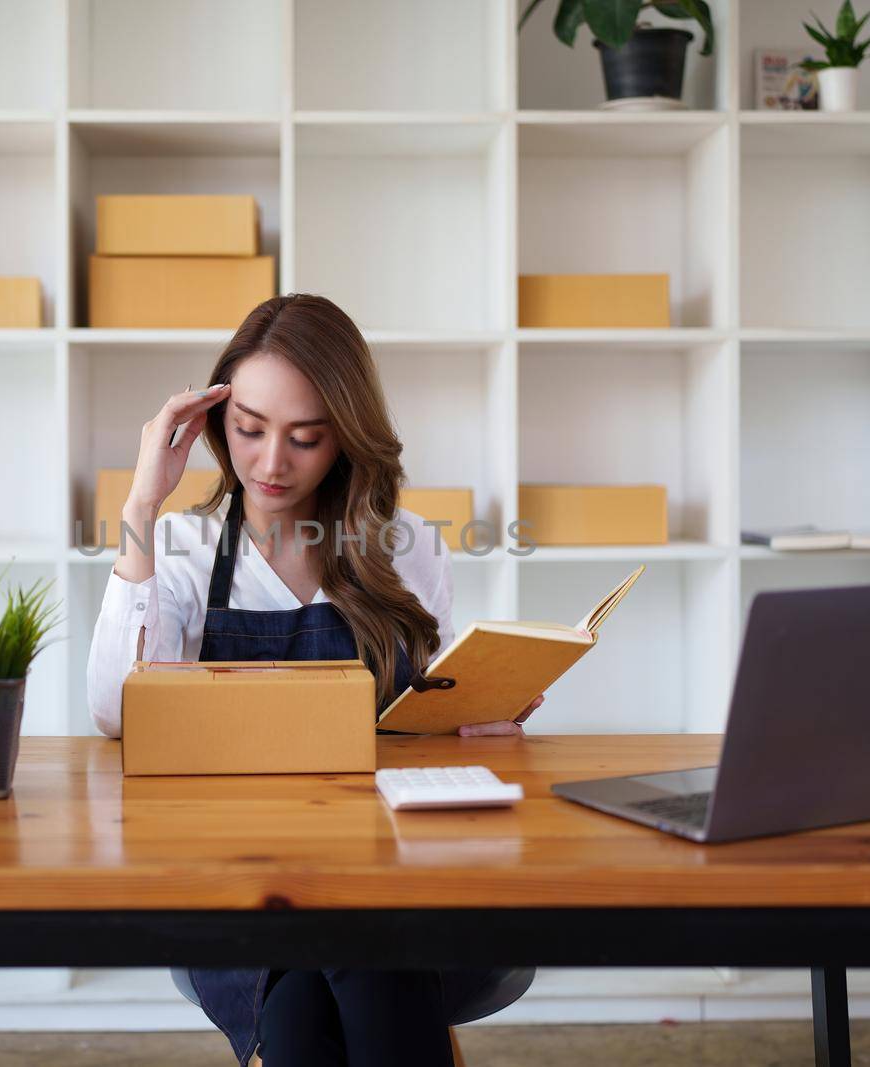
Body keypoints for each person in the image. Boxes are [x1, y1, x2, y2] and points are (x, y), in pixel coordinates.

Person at [87, 293, 541, 1067]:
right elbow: (112, 711)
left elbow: (416, 724)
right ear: (214, 422)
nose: (270, 463)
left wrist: (476, 717)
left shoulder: (406, 550)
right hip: (240, 883)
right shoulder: (182, 548)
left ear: (347, 436)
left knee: (316, 983)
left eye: (306, 437)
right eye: (250, 430)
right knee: (341, 956)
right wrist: (142, 499)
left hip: (391, 876)